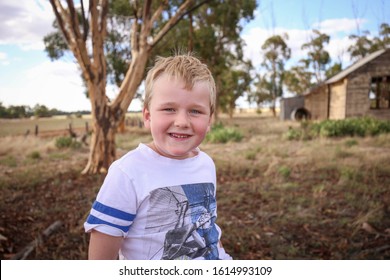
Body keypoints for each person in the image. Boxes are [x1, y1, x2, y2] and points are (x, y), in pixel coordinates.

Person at [84, 53, 231, 260]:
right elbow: (100, 259)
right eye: (169, 109)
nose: (182, 121)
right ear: (147, 116)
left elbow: (209, 232)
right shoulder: (127, 173)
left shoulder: (206, 164)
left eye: (195, 111)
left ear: (209, 120)